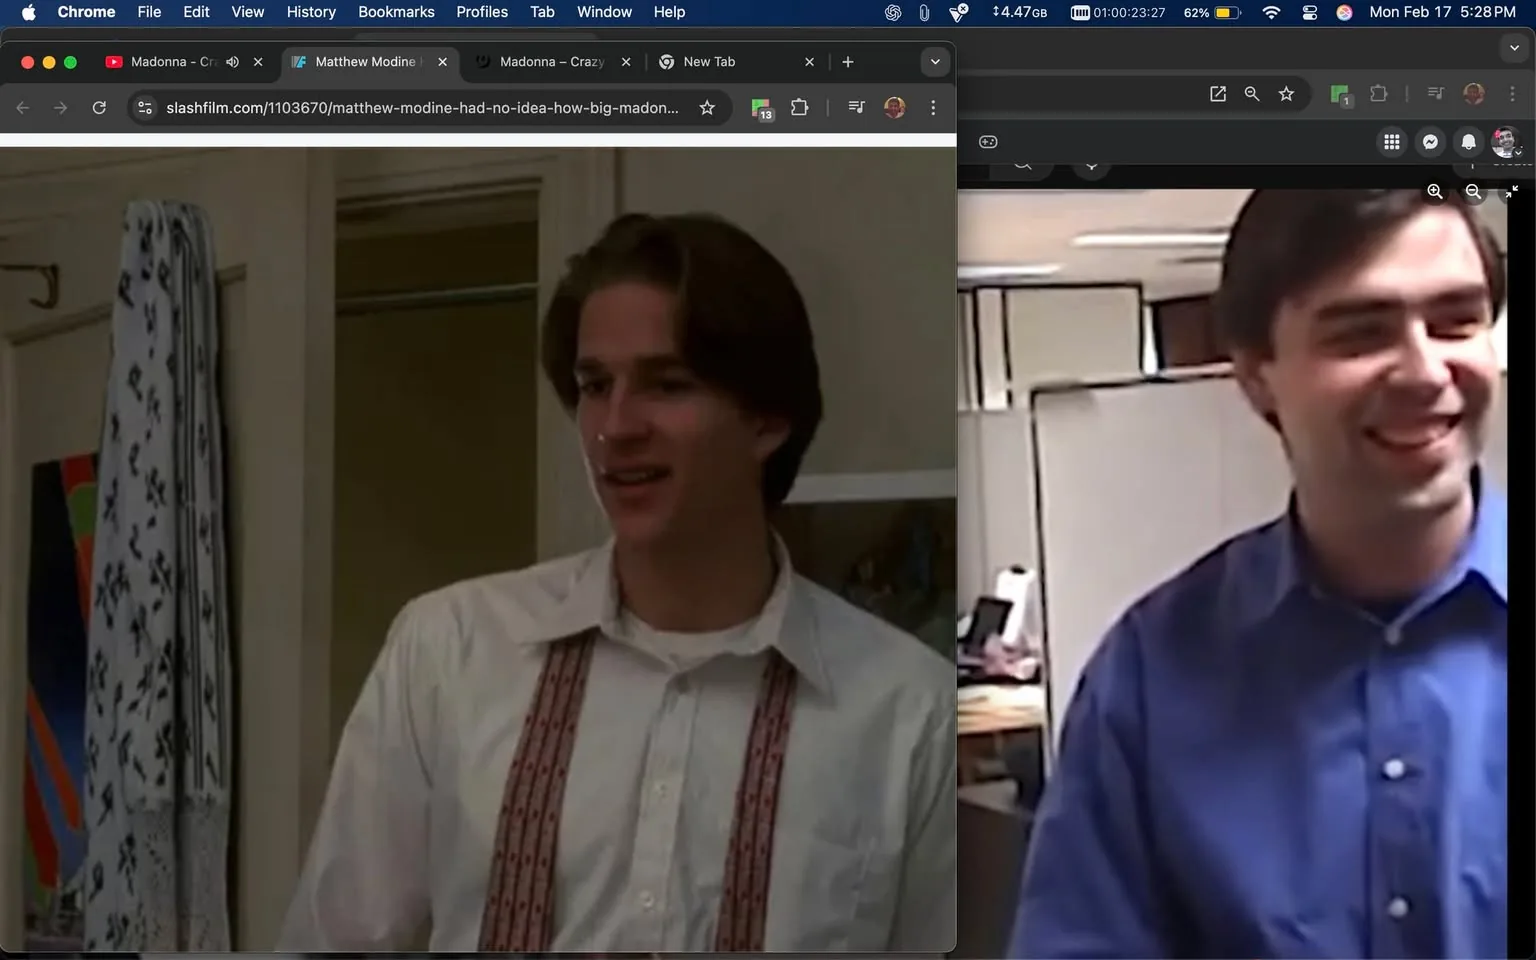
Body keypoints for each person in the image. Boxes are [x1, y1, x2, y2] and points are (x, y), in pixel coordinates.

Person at [278, 212, 957, 953]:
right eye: (595, 385)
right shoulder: (450, 651)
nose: (615, 426)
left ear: (766, 419)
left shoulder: (907, 713)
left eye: (666, 384)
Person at [1012, 190, 1507, 959]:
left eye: (1455, 321)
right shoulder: (1151, 678)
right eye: (1361, 333)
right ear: (1255, 376)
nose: (1423, 369)